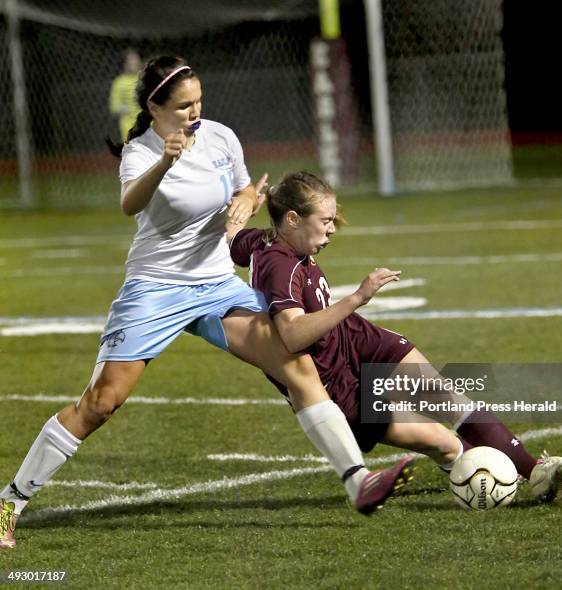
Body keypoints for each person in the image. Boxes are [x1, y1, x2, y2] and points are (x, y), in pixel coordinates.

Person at [0, 57, 414, 550]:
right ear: (155, 107)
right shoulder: (140, 152)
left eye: (198, 100)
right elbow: (130, 203)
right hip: (156, 288)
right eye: (182, 105)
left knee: (296, 362)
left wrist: (247, 201)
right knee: (101, 403)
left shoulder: (220, 136)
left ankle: (357, 481)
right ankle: (9, 501)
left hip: (217, 284)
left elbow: (242, 186)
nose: (194, 112)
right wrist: (165, 162)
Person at [227, 171, 562, 501]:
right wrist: (358, 297)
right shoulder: (280, 264)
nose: (333, 229)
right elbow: (291, 335)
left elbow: (231, 240)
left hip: (351, 338)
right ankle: (482, 474)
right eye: (326, 220)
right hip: (332, 382)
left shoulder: (264, 239)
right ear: (292, 219)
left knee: (445, 396)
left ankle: (536, 473)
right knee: (442, 441)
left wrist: (242, 208)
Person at [109, 49, 143, 141]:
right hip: (128, 126)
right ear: (125, 63)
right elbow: (114, 106)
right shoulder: (119, 82)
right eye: (131, 60)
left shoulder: (144, 78)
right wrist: (123, 109)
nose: (134, 63)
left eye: (136, 60)